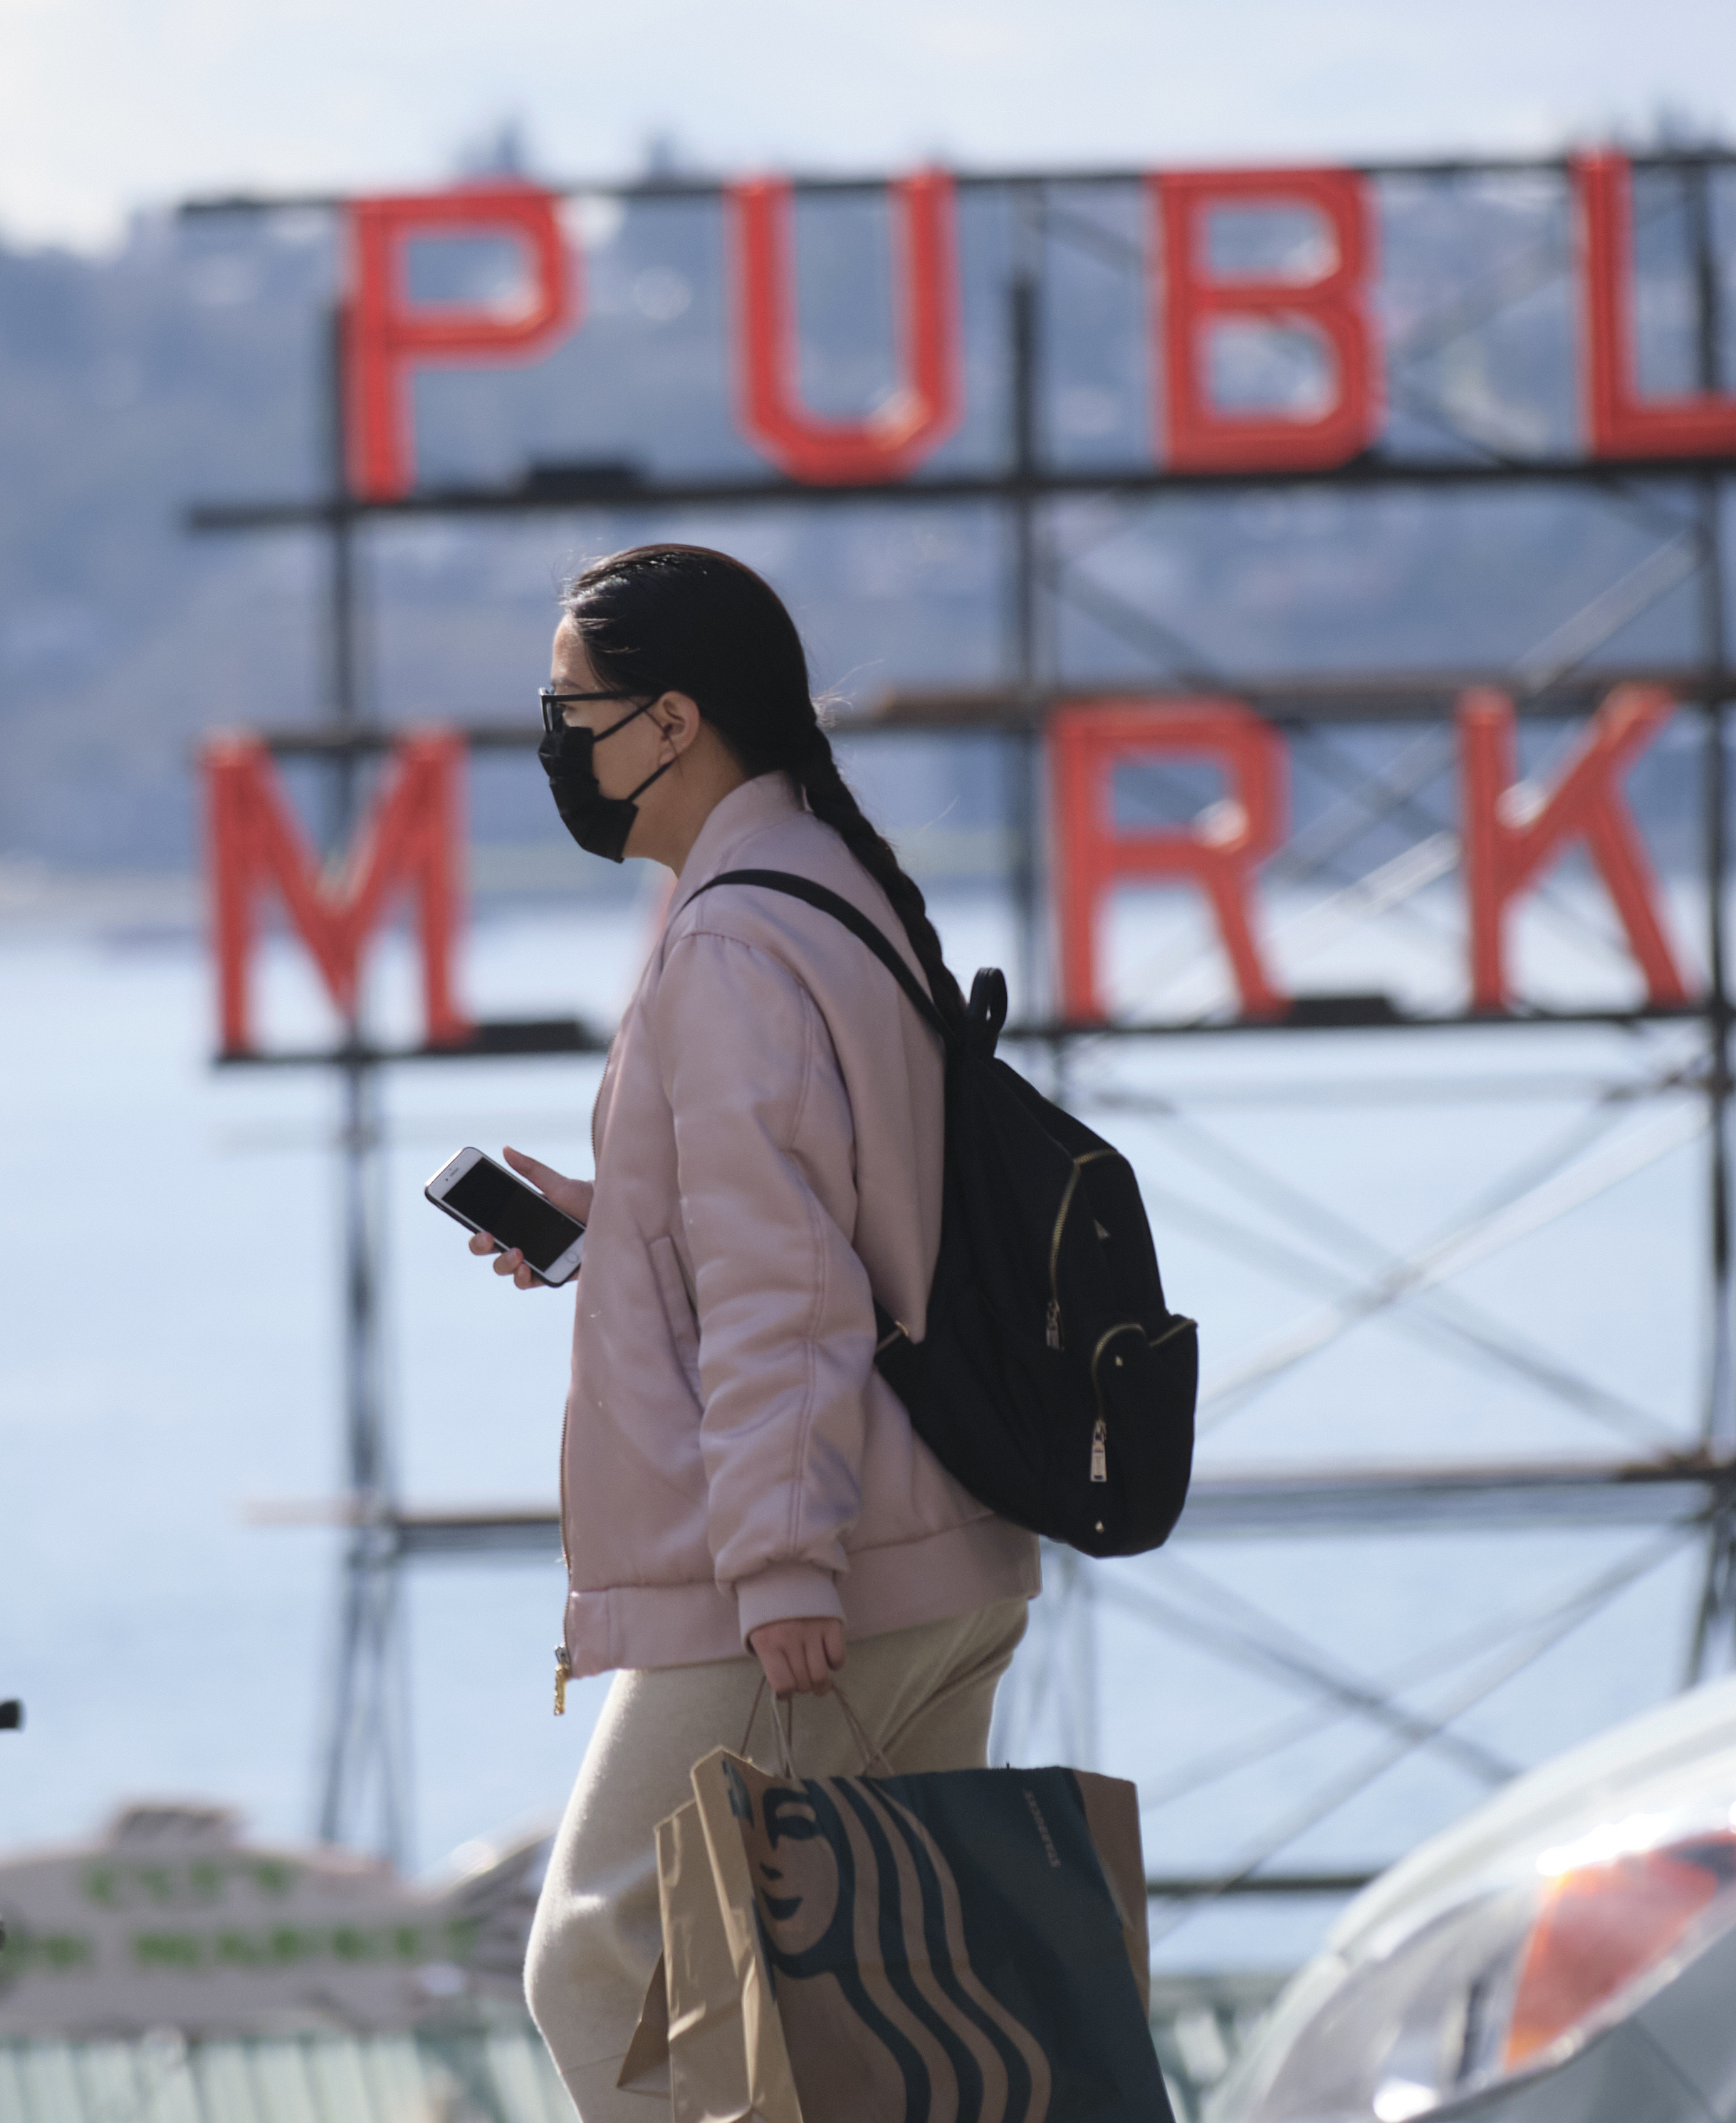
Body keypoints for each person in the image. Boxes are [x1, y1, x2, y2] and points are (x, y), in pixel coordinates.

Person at [472, 543, 1039, 2122]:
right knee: (869, 2011)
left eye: (568, 706)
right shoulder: (827, 890)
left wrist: (783, 1558)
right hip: (937, 1540)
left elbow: (787, 1283)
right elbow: (828, 1214)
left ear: (669, 720)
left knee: (598, 1955)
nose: (556, 742)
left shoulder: (727, 940)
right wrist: (618, 1221)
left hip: (813, 1574)